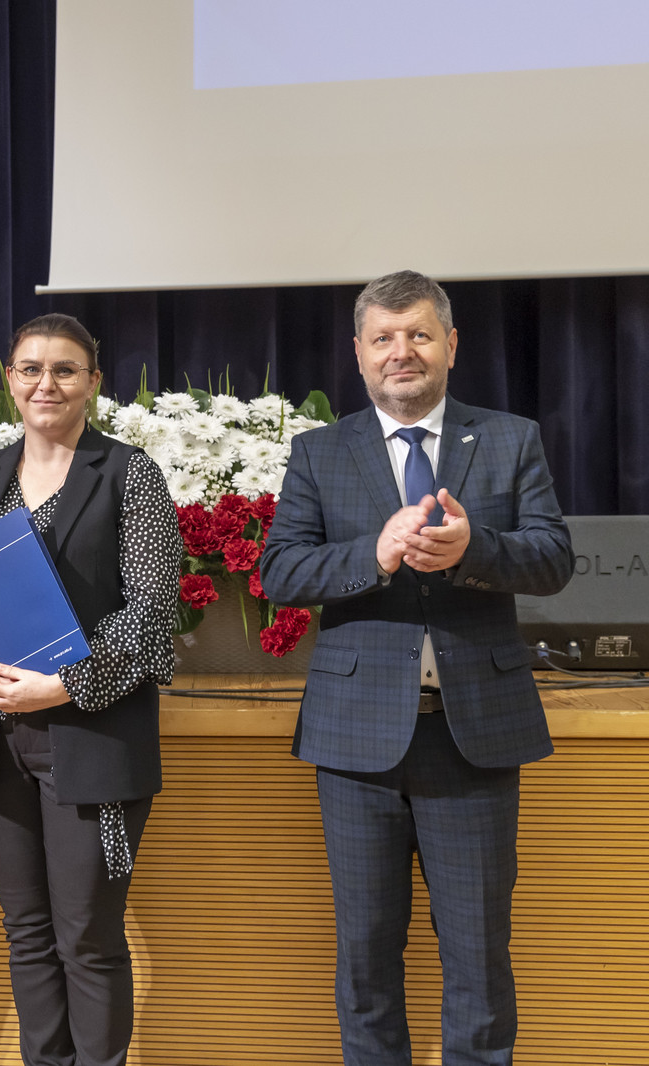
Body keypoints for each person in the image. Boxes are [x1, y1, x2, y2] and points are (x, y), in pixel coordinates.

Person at [259, 270, 572, 1066]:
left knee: (478, 955)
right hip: (356, 744)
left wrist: (476, 549)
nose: (402, 351)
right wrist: (373, 553)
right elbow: (280, 572)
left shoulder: (509, 438)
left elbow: (553, 559)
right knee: (366, 956)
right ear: (359, 353)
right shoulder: (319, 452)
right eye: (384, 338)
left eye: (419, 335)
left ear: (451, 345)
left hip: (475, 738)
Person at [0, 314, 181, 1066]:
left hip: (92, 739)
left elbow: (151, 617)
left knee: (88, 939)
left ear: (93, 383)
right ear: (9, 380)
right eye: (31, 369)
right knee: (28, 935)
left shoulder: (129, 474)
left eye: (65, 370)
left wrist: (62, 685)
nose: (47, 383)